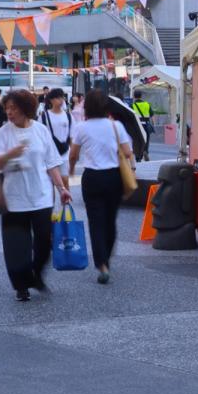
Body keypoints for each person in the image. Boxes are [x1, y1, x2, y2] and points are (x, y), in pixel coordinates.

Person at [0, 90, 72, 301]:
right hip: (13, 198)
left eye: (14, 108)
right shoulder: (4, 132)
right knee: (16, 247)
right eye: (7, 108)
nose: (9, 112)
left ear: (26, 109)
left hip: (41, 196)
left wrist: (61, 188)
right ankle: (21, 285)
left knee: (44, 242)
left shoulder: (41, 131)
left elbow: (52, 163)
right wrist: (12, 154)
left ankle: (36, 273)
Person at [69, 89, 134, 284]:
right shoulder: (116, 127)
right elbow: (128, 152)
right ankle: (106, 256)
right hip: (113, 176)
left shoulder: (82, 128)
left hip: (92, 178)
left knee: (95, 221)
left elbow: (73, 155)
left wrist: (71, 170)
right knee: (110, 219)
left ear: (87, 107)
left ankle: (102, 264)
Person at [40, 88, 73, 180]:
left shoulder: (68, 116)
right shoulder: (44, 116)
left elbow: (71, 137)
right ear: (51, 100)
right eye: (58, 98)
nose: (61, 100)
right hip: (49, 154)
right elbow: (40, 137)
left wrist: (72, 156)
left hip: (65, 154)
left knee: (65, 182)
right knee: (50, 183)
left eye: (62, 97)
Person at [131, 91, 153, 160]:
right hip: (146, 125)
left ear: (134, 96)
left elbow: (130, 116)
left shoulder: (132, 105)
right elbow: (151, 115)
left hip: (137, 126)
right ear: (141, 96)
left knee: (137, 140)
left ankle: (138, 156)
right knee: (146, 139)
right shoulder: (147, 104)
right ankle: (145, 150)